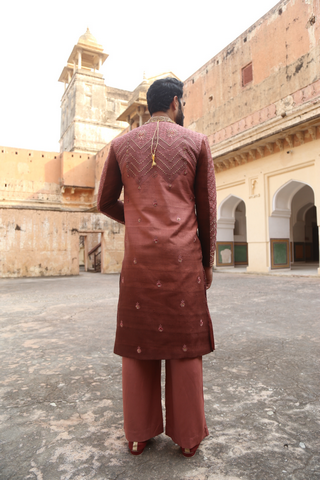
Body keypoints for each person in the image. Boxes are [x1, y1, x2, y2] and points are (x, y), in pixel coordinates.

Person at [97, 77, 217, 457]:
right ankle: (187, 438)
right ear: (177, 103)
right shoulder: (196, 142)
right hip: (183, 262)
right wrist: (207, 262)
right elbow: (207, 209)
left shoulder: (119, 145)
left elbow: (104, 201)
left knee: (138, 346)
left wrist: (133, 217)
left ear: (150, 107)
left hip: (139, 263)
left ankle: (138, 434)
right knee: (184, 350)